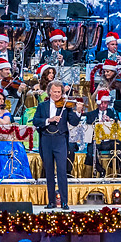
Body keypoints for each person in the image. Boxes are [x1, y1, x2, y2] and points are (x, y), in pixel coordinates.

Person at [34, 80, 80, 209]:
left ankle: (64, 202)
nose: (57, 94)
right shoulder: (42, 106)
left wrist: (78, 112)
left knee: (61, 171)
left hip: (60, 140)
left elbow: (74, 122)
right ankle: (51, 202)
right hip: (46, 140)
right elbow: (36, 121)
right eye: (54, 92)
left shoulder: (66, 106)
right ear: (49, 92)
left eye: (59, 92)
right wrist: (49, 120)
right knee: (49, 171)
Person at [84, 87, 121, 175]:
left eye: (105, 103)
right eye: (101, 103)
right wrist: (97, 124)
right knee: (90, 151)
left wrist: (110, 122)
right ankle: (100, 170)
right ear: (98, 103)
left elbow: (119, 127)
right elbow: (88, 131)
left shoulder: (112, 113)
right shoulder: (91, 115)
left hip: (110, 141)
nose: (103, 105)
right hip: (97, 142)